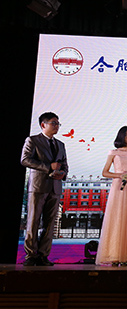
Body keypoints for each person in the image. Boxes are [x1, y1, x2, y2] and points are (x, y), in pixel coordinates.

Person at [20, 112, 69, 266]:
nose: (57, 126)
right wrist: (48, 167)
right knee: (33, 221)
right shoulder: (33, 140)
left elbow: (64, 164)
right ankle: (30, 255)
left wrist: (63, 174)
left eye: (58, 124)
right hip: (38, 187)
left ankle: (43, 255)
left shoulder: (60, 144)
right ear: (43, 125)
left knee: (50, 224)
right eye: (54, 123)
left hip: (55, 187)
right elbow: (25, 160)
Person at [96, 126, 127, 266]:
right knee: (116, 219)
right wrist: (120, 175)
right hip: (118, 188)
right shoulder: (114, 152)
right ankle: (114, 255)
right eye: (126, 135)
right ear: (121, 136)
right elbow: (105, 172)